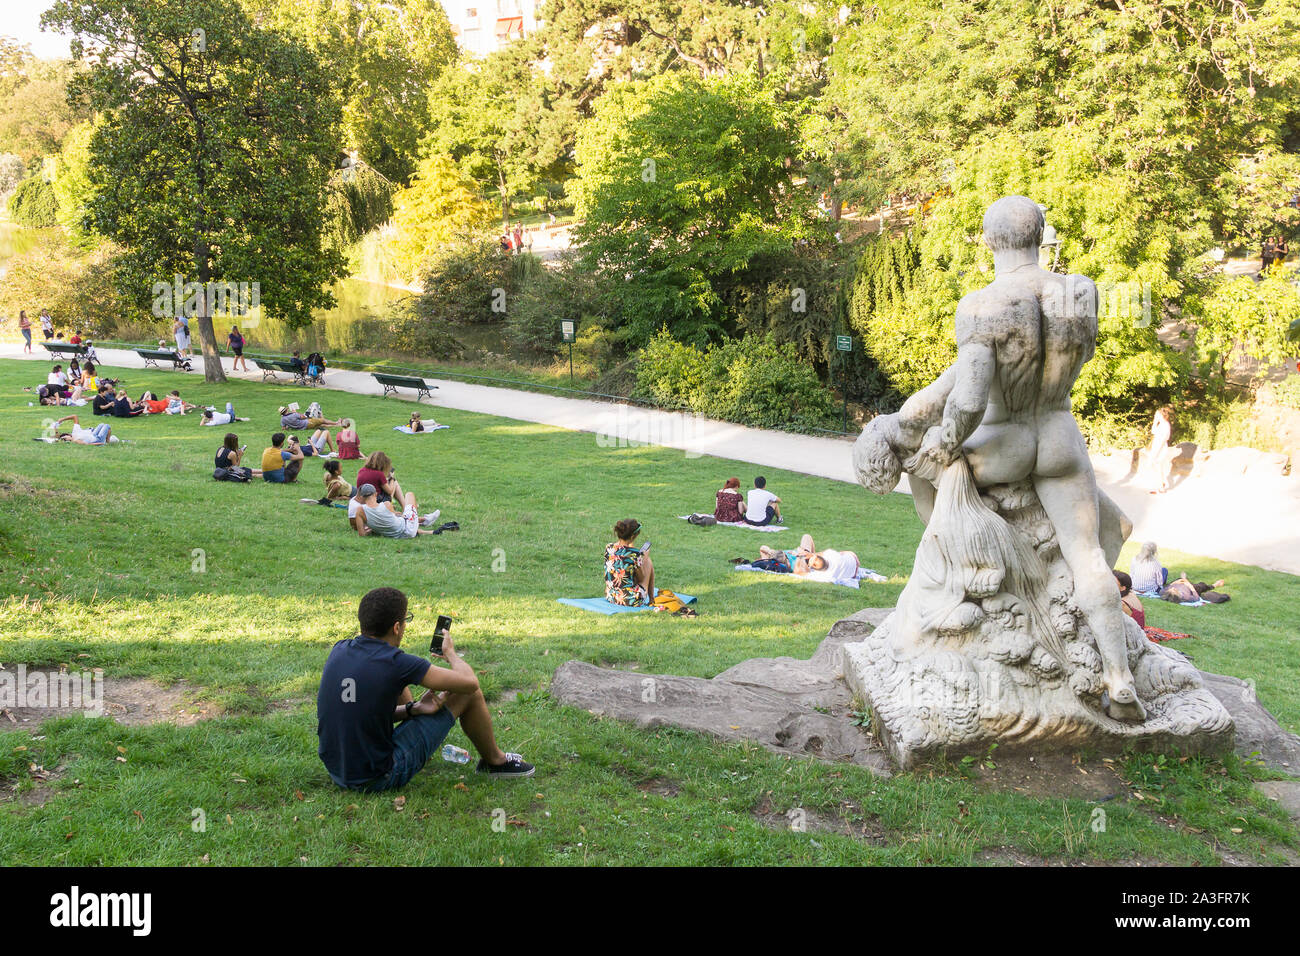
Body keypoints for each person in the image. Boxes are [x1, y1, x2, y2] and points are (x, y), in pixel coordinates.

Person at [876, 195, 1146, 718]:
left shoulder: (983, 304)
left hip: (1007, 443)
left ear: (988, 239)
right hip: (1061, 436)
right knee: (1087, 555)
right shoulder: (1080, 293)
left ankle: (953, 573)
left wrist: (941, 441)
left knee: (926, 470)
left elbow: (970, 400)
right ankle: (1118, 678)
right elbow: (1078, 356)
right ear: (1040, 235)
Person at [316, 587, 534, 791]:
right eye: (405, 620)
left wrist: (414, 709)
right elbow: (469, 683)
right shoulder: (396, 662)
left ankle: (418, 750)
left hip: (338, 771)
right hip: (377, 777)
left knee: (395, 684)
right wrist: (450, 653)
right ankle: (495, 761)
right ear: (396, 627)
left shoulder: (340, 649)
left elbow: (365, 712)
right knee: (466, 695)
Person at [349, 484, 440, 538]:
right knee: (409, 495)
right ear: (375, 494)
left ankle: (425, 522)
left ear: (362, 497)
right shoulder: (387, 504)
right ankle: (424, 520)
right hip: (408, 529)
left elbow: (362, 534)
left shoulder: (359, 511)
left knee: (401, 516)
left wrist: (372, 529)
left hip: (397, 535)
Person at [605, 519, 654, 607]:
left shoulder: (609, 547)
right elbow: (641, 578)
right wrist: (645, 557)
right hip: (631, 600)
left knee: (630, 570)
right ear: (632, 537)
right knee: (649, 562)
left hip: (611, 596)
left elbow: (624, 557)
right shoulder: (634, 554)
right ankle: (651, 599)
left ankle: (651, 599)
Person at [1142, 406, 1175, 494]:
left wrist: (1155, 452)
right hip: (1156, 446)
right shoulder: (1160, 424)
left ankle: (1160, 487)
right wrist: (1155, 421)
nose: (1156, 416)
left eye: (1157, 415)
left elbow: (1163, 439)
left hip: (1161, 447)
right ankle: (1161, 484)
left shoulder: (1165, 425)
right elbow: (1153, 431)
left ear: (1161, 415)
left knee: (1158, 466)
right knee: (1157, 467)